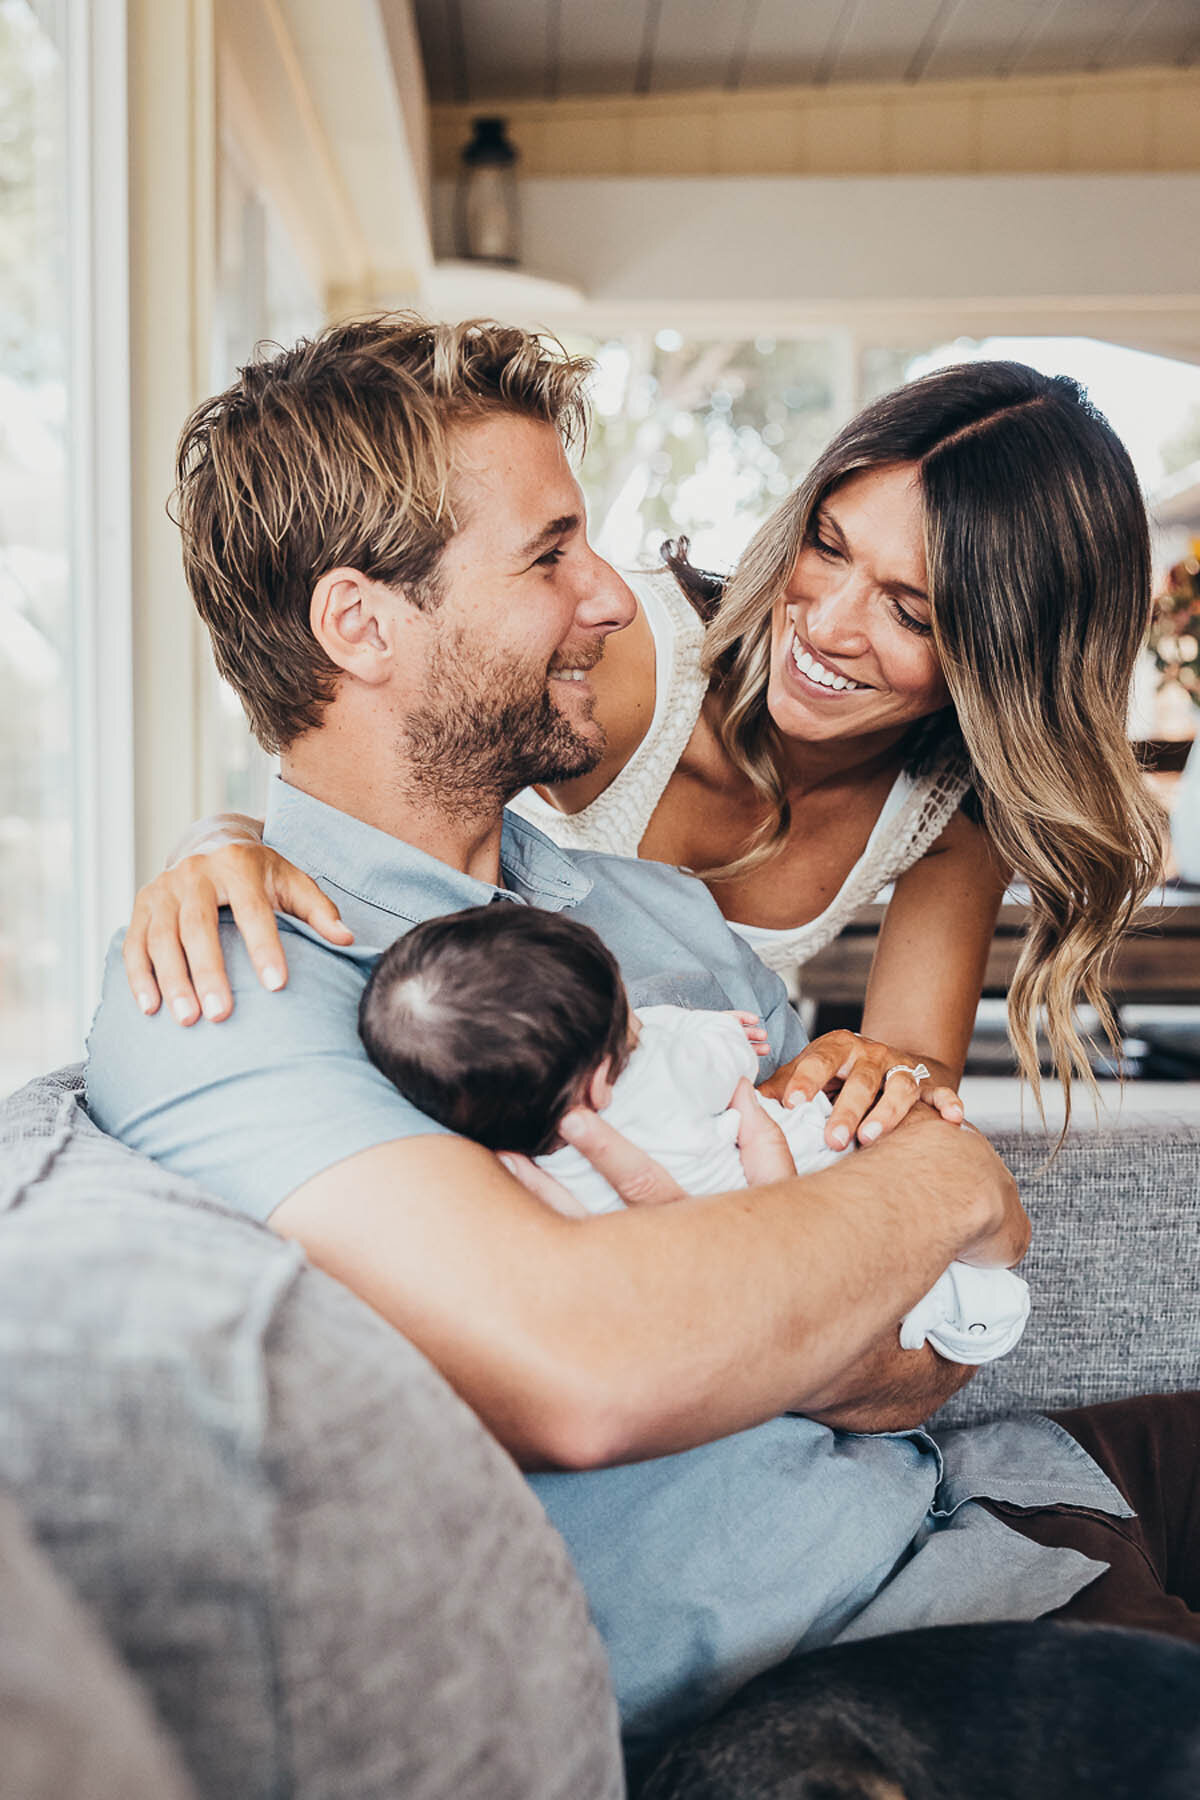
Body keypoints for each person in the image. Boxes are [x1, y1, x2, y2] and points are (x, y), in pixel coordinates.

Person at [84, 315, 1199, 1754]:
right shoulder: (236, 983)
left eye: (913, 608)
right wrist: (947, 1191)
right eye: (552, 555)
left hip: (984, 1511)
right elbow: (598, 1364)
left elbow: (932, 1347)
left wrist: (863, 1265)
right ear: (360, 621)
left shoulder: (666, 924)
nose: (615, 596)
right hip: (830, 1659)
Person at [121, 353, 1165, 1150]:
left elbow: (898, 1108)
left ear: (1007, 661)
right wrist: (218, 837)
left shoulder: (947, 820)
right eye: (828, 546)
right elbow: (387, 753)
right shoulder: (616, 668)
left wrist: (867, 1082)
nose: (828, 623)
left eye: (911, 611)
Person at [358, 901, 1030, 1364]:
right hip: (797, 1182)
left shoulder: (511, 1170)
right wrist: (726, 1032)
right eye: (629, 1017)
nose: (643, 1020)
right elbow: (720, 1059)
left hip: (729, 1267)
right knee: (841, 1165)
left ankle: (945, 1304)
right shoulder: (663, 1069)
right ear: (599, 1082)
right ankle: (957, 1302)